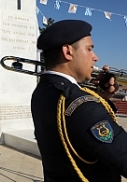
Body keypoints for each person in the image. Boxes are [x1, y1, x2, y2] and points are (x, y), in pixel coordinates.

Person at [31, 19, 127, 181]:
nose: (95, 57)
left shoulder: (43, 91)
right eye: (89, 49)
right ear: (68, 52)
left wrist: (102, 98)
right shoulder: (83, 104)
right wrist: (93, 102)